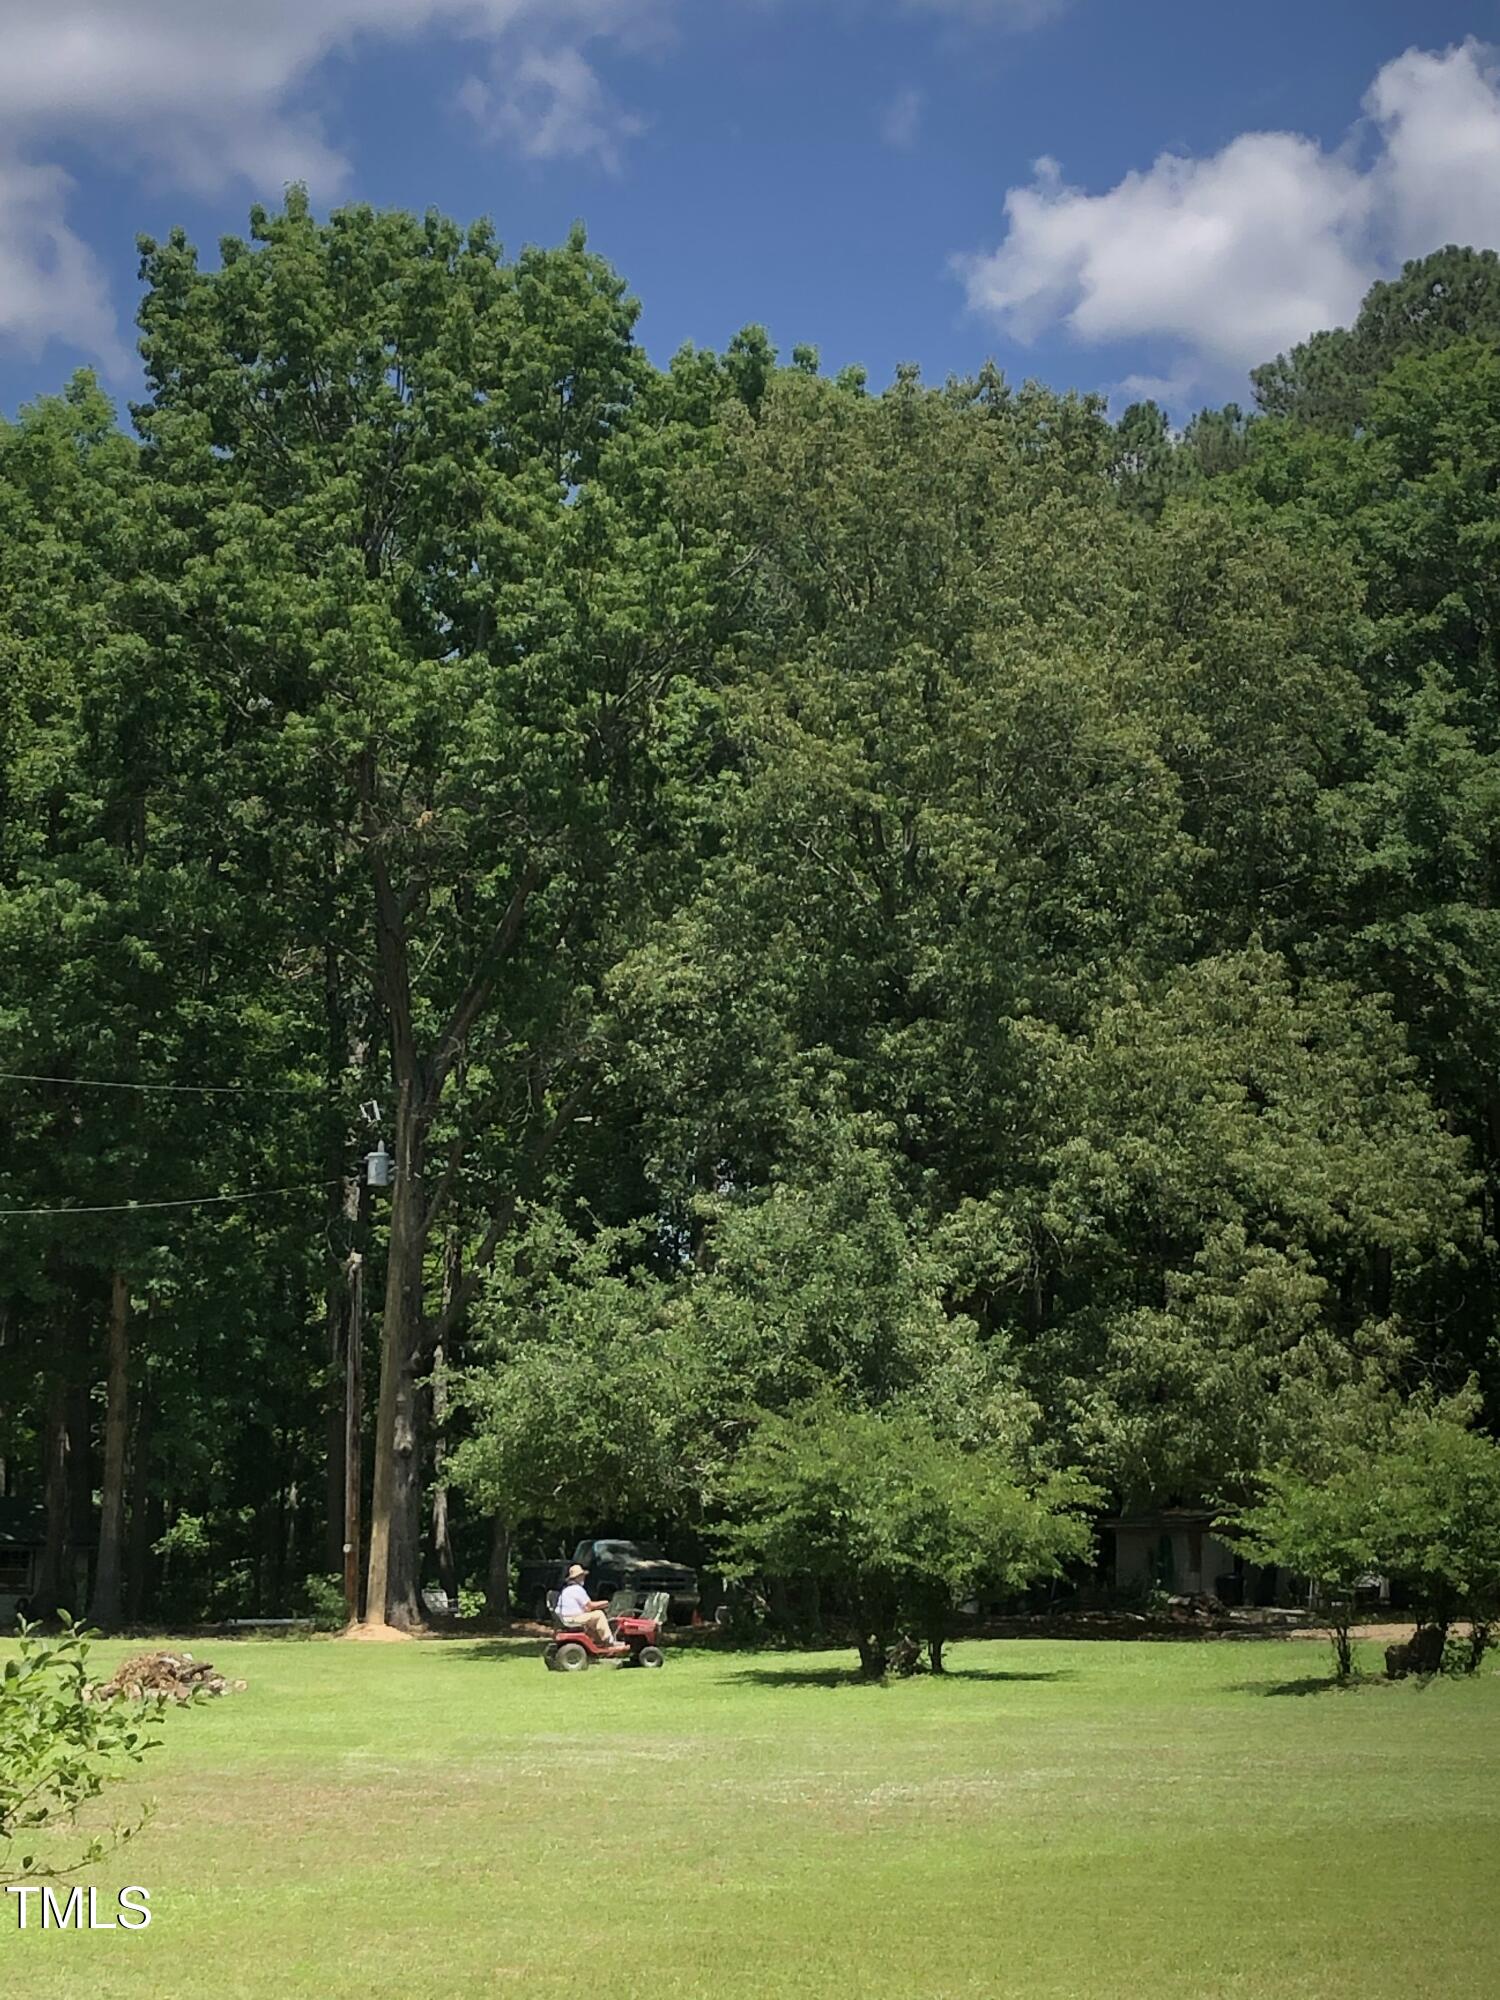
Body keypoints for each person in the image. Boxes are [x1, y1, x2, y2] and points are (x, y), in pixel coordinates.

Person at [553, 1564, 619, 1649]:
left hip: (565, 1618)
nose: (583, 1578)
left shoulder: (567, 1589)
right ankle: (609, 1640)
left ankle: (598, 1641)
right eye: (582, 1576)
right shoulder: (577, 1589)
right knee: (599, 1614)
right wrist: (606, 1603)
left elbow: (586, 1608)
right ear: (577, 1577)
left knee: (592, 1618)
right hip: (572, 1618)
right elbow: (590, 1605)